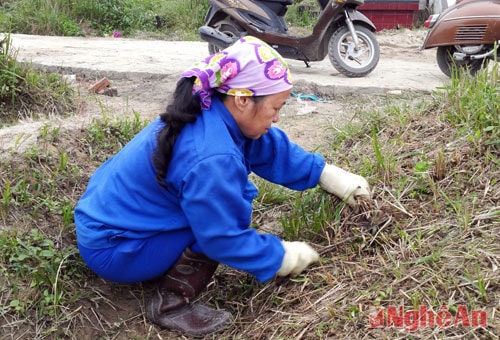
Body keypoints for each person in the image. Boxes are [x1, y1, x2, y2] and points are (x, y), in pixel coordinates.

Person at [74, 36, 371, 336]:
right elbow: (221, 237)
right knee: (221, 213)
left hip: (107, 218)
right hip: (116, 247)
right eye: (275, 108)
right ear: (242, 99)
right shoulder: (212, 156)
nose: (277, 117)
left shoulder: (210, 107)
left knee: (223, 200)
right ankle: (170, 303)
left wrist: (324, 173)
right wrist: (279, 256)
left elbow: (267, 146)